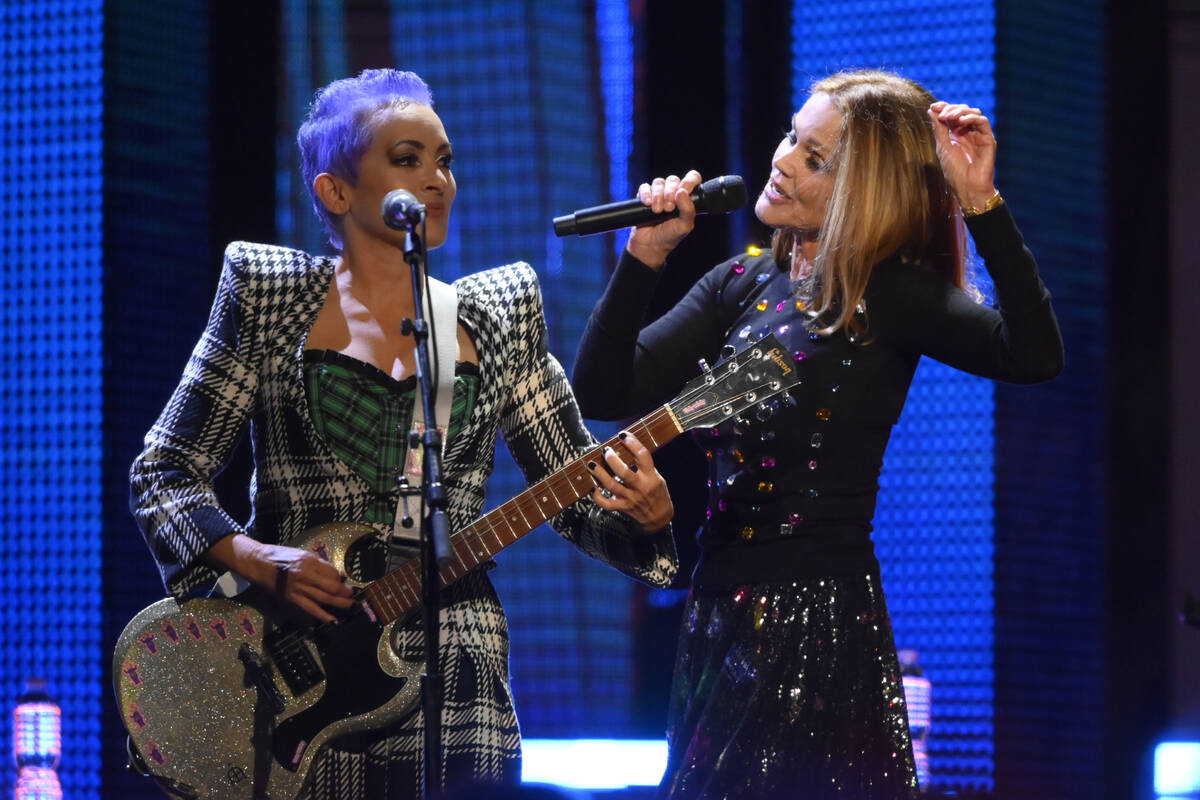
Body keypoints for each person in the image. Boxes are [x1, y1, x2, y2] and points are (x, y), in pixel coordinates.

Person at [129, 68, 677, 799]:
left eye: (444, 160)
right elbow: (163, 474)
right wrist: (262, 559)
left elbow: (574, 489)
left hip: (458, 676)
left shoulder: (500, 313)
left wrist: (644, 514)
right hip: (303, 688)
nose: (437, 179)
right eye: (408, 159)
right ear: (336, 191)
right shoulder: (269, 296)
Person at [572, 69, 1064, 799]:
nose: (782, 160)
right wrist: (644, 258)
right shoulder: (740, 282)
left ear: (865, 191)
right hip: (717, 611)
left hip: (816, 619)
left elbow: (1033, 355)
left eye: (814, 157)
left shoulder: (892, 294)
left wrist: (980, 204)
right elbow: (605, 391)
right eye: (790, 139)